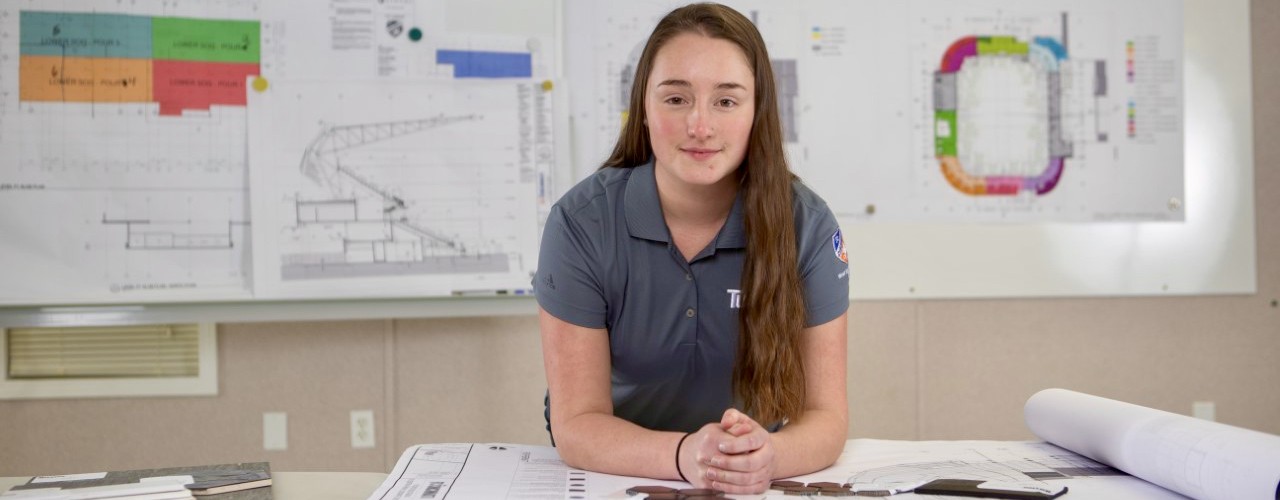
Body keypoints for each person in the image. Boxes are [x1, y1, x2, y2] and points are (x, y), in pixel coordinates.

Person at [533, 3, 849, 494]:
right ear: (643, 106)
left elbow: (825, 418)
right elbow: (576, 424)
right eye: (676, 99)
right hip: (617, 479)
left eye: (726, 102)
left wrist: (768, 457)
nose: (700, 127)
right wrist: (685, 456)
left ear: (757, 111)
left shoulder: (806, 224)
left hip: (753, 485)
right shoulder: (581, 222)